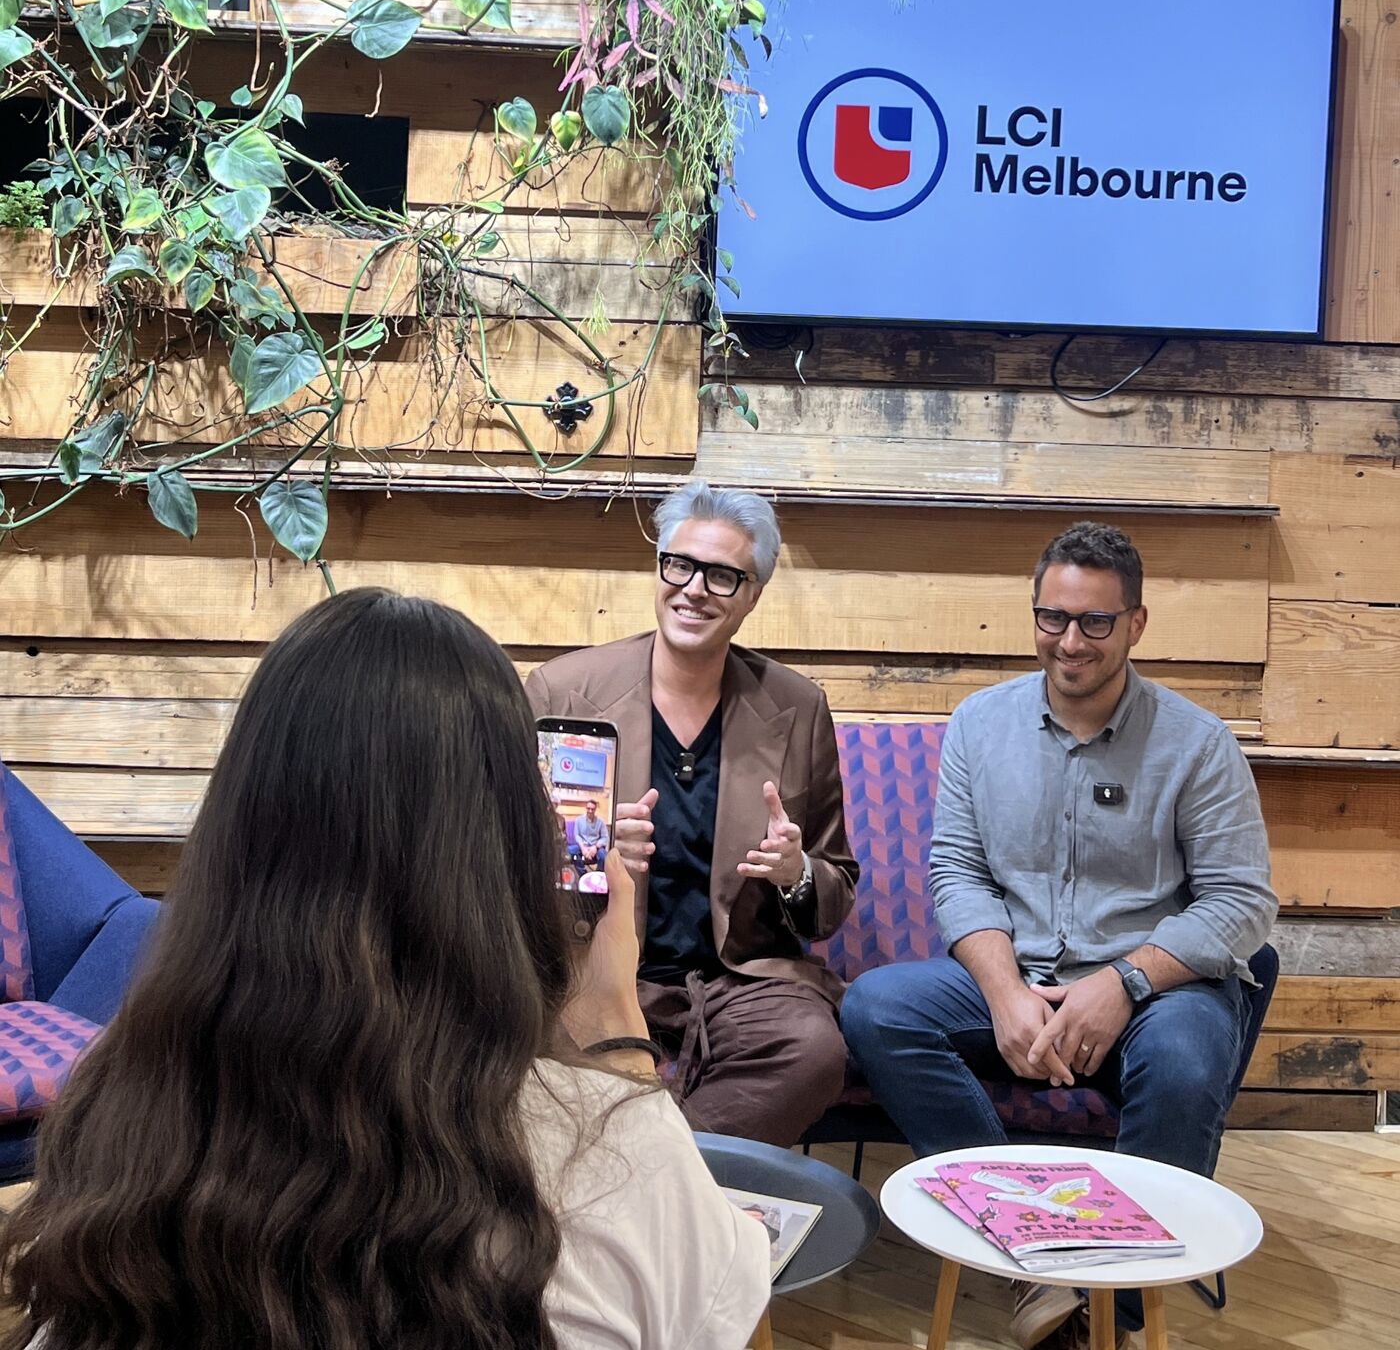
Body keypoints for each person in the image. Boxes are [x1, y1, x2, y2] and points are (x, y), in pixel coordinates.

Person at [0, 589, 770, 1350]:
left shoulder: (122, 1111)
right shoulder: (616, 1157)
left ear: (235, 837)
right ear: (510, 851)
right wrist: (618, 1034)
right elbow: (734, 1316)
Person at [842, 522, 1276, 1350]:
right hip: (1018, 972)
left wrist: (1123, 984)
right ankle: (1025, 1252)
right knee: (878, 1009)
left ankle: (1110, 1305)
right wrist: (1004, 992)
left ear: (1136, 624)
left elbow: (1243, 903)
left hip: (1153, 991)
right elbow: (957, 872)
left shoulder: (1198, 744)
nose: (1070, 642)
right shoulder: (980, 724)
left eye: (1095, 622)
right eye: (1053, 618)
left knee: (1187, 1064)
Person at [526, 480, 858, 1148]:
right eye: (679, 565)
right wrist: (585, 855)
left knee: (812, 1050)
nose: (695, 589)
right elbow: (503, 857)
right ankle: (693, 1180)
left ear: (753, 594)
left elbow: (833, 888)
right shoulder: (564, 691)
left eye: (723, 575)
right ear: (658, 569)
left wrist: (794, 871)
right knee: (531, 1049)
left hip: (743, 981)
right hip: (595, 963)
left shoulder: (797, 707)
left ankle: (664, 1171)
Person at [571, 799, 609, 873]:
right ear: (586, 808)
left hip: (595, 847)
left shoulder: (601, 822)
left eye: (592, 809)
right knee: (571, 852)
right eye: (588, 808)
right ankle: (583, 874)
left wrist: (595, 847)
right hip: (583, 846)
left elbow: (605, 837)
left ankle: (597, 875)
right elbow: (577, 835)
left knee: (604, 856)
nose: (590, 811)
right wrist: (583, 848)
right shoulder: (579, 820)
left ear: (595, 809)